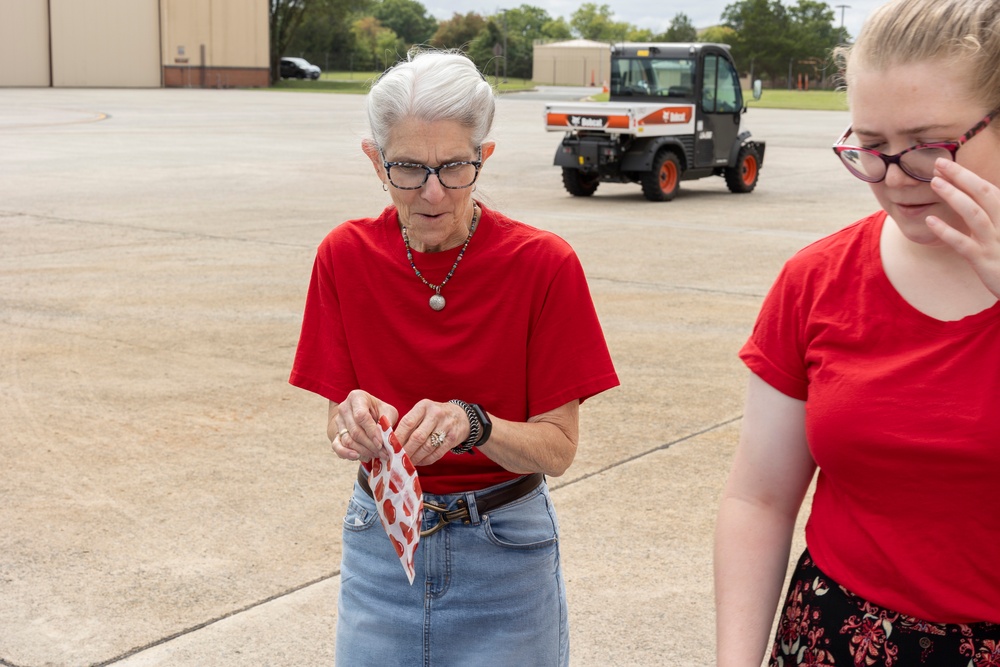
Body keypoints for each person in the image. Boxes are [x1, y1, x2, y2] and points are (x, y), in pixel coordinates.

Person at [289, 49, 619, 666]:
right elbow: (336, 417)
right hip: (381, 542)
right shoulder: (344, 256)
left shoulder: (543, 266)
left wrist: (474, 425)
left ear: (484, 157)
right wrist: (352, 422)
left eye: (455, 167)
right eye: (409, 169)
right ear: (375, 161)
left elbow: (559, 449)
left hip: (505, 549)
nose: (433, 192)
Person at [714, 0, 1000, 664]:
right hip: (839, 638)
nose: (895, 178)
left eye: (929, 147)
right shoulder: (817, 280)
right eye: (870, 148)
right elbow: (759, 497)